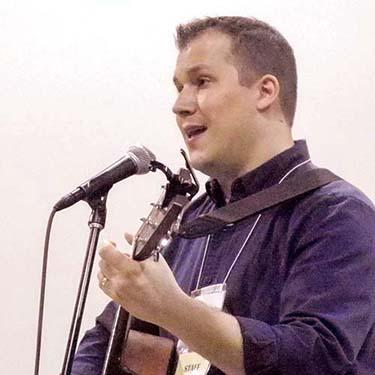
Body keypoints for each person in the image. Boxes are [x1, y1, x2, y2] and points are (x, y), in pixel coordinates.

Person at [71, 16, 375, 375]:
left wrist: (173, 309)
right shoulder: (189, 220)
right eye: (179, 87)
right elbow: (106, 343)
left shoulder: (337, 214)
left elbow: (314, 359)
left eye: (201, 82)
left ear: (265, 92)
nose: (180, 105)